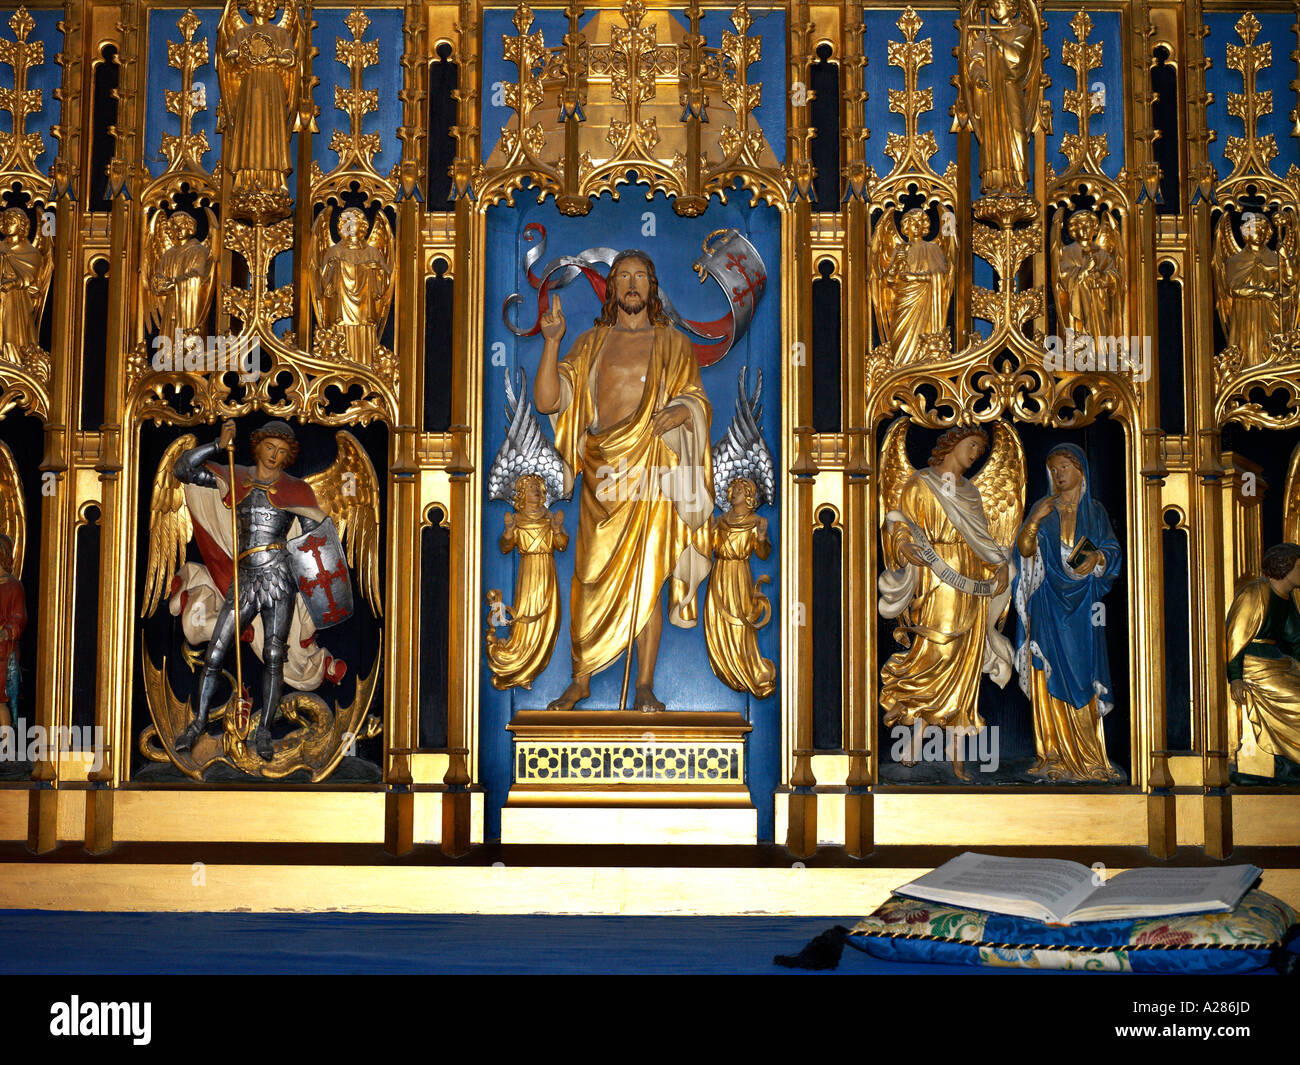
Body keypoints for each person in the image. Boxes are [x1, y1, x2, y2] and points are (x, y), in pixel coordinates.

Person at [533, 250, 713, 712]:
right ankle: (580, 678)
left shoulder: (674, 344)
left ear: (652, 288)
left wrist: (681, 411)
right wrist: (552, 343)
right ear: (611, 288)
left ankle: (645, 684)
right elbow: (549, 401)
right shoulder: (591, 343)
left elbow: (697, 402)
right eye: (624, 277)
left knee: (649, 575)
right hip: (604, 472)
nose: (632, 285)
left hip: (652, 468)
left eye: (641, 277)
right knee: (588, 573)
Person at [172, 420, 329, 758]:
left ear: (289, 457)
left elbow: (316, 538)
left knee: (274, 656)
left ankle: (265, 731)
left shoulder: (296, 489)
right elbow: (183, 469)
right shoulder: (235, 474)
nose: (274, 455)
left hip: (279, 577)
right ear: (257, 446)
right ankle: (198, 723)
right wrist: (218, 445)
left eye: (282, 452)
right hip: (244, 576)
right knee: (216, 651)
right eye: (270, 447)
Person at [878, 426, 1015, 779]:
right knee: (936, 654)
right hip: (936, 579)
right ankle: (917, 735)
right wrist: (904, 545)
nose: (975, 454)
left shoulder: (971, 491)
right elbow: (899, 523)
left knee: (964, 665)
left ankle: (954, 752)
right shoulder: (921, 483)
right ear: (953, 445)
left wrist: (999, 564)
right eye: (972, 445)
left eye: (979, 449)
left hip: (971, 581)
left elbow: (982, 538)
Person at [1013, 443, 1124, 782]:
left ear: (1080, 470)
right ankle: (1052, 755)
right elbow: (1024, 551)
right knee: (1045, 672)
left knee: (1083, 673)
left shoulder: (1096, 512)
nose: (1058, 474)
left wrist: (1098, 558)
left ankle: (1090, 758)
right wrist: (1034, 520)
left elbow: (1112, 550)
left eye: (1064, 467)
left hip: (1084, 608)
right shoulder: (1044, 508)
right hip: (1047, 601)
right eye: (1053, 469)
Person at [1226, 542, 1300, 779]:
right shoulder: (1255, 593)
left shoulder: (1286, 597)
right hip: (1254, 667)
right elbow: (1235, 639)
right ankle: (1287, 762)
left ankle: (1291, 762)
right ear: (1284, 567)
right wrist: (1235, 678)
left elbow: (1296, 639)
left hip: (1277, 664)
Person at [963, 0, 1040, 197]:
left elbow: (1017, 62)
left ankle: (1016, 182)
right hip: (990, 95)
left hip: (1010, 90)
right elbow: (975, 62)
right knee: (992, 136)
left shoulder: (1023, 31)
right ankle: (994, 182)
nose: (995, 8)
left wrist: (996, 42)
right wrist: (979, 77)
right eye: (993, 4)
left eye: (1000, 3)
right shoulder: (984, 34)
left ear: (1012, 6)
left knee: (1015, 131)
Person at [0, 208, 44, 364]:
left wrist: (13, 283)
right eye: (5, 221)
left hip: (16, 300)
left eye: (12, 222)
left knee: (10, 336)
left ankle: (13, 359)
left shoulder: (31, 253)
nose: (8, 225)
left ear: (22, 226)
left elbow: (31, 279)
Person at [0, 535, 25, 731]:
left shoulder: (13, 586)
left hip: (3, 652)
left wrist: (6, 632)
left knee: (0, 701)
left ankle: (6, 743)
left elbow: (19, 618)